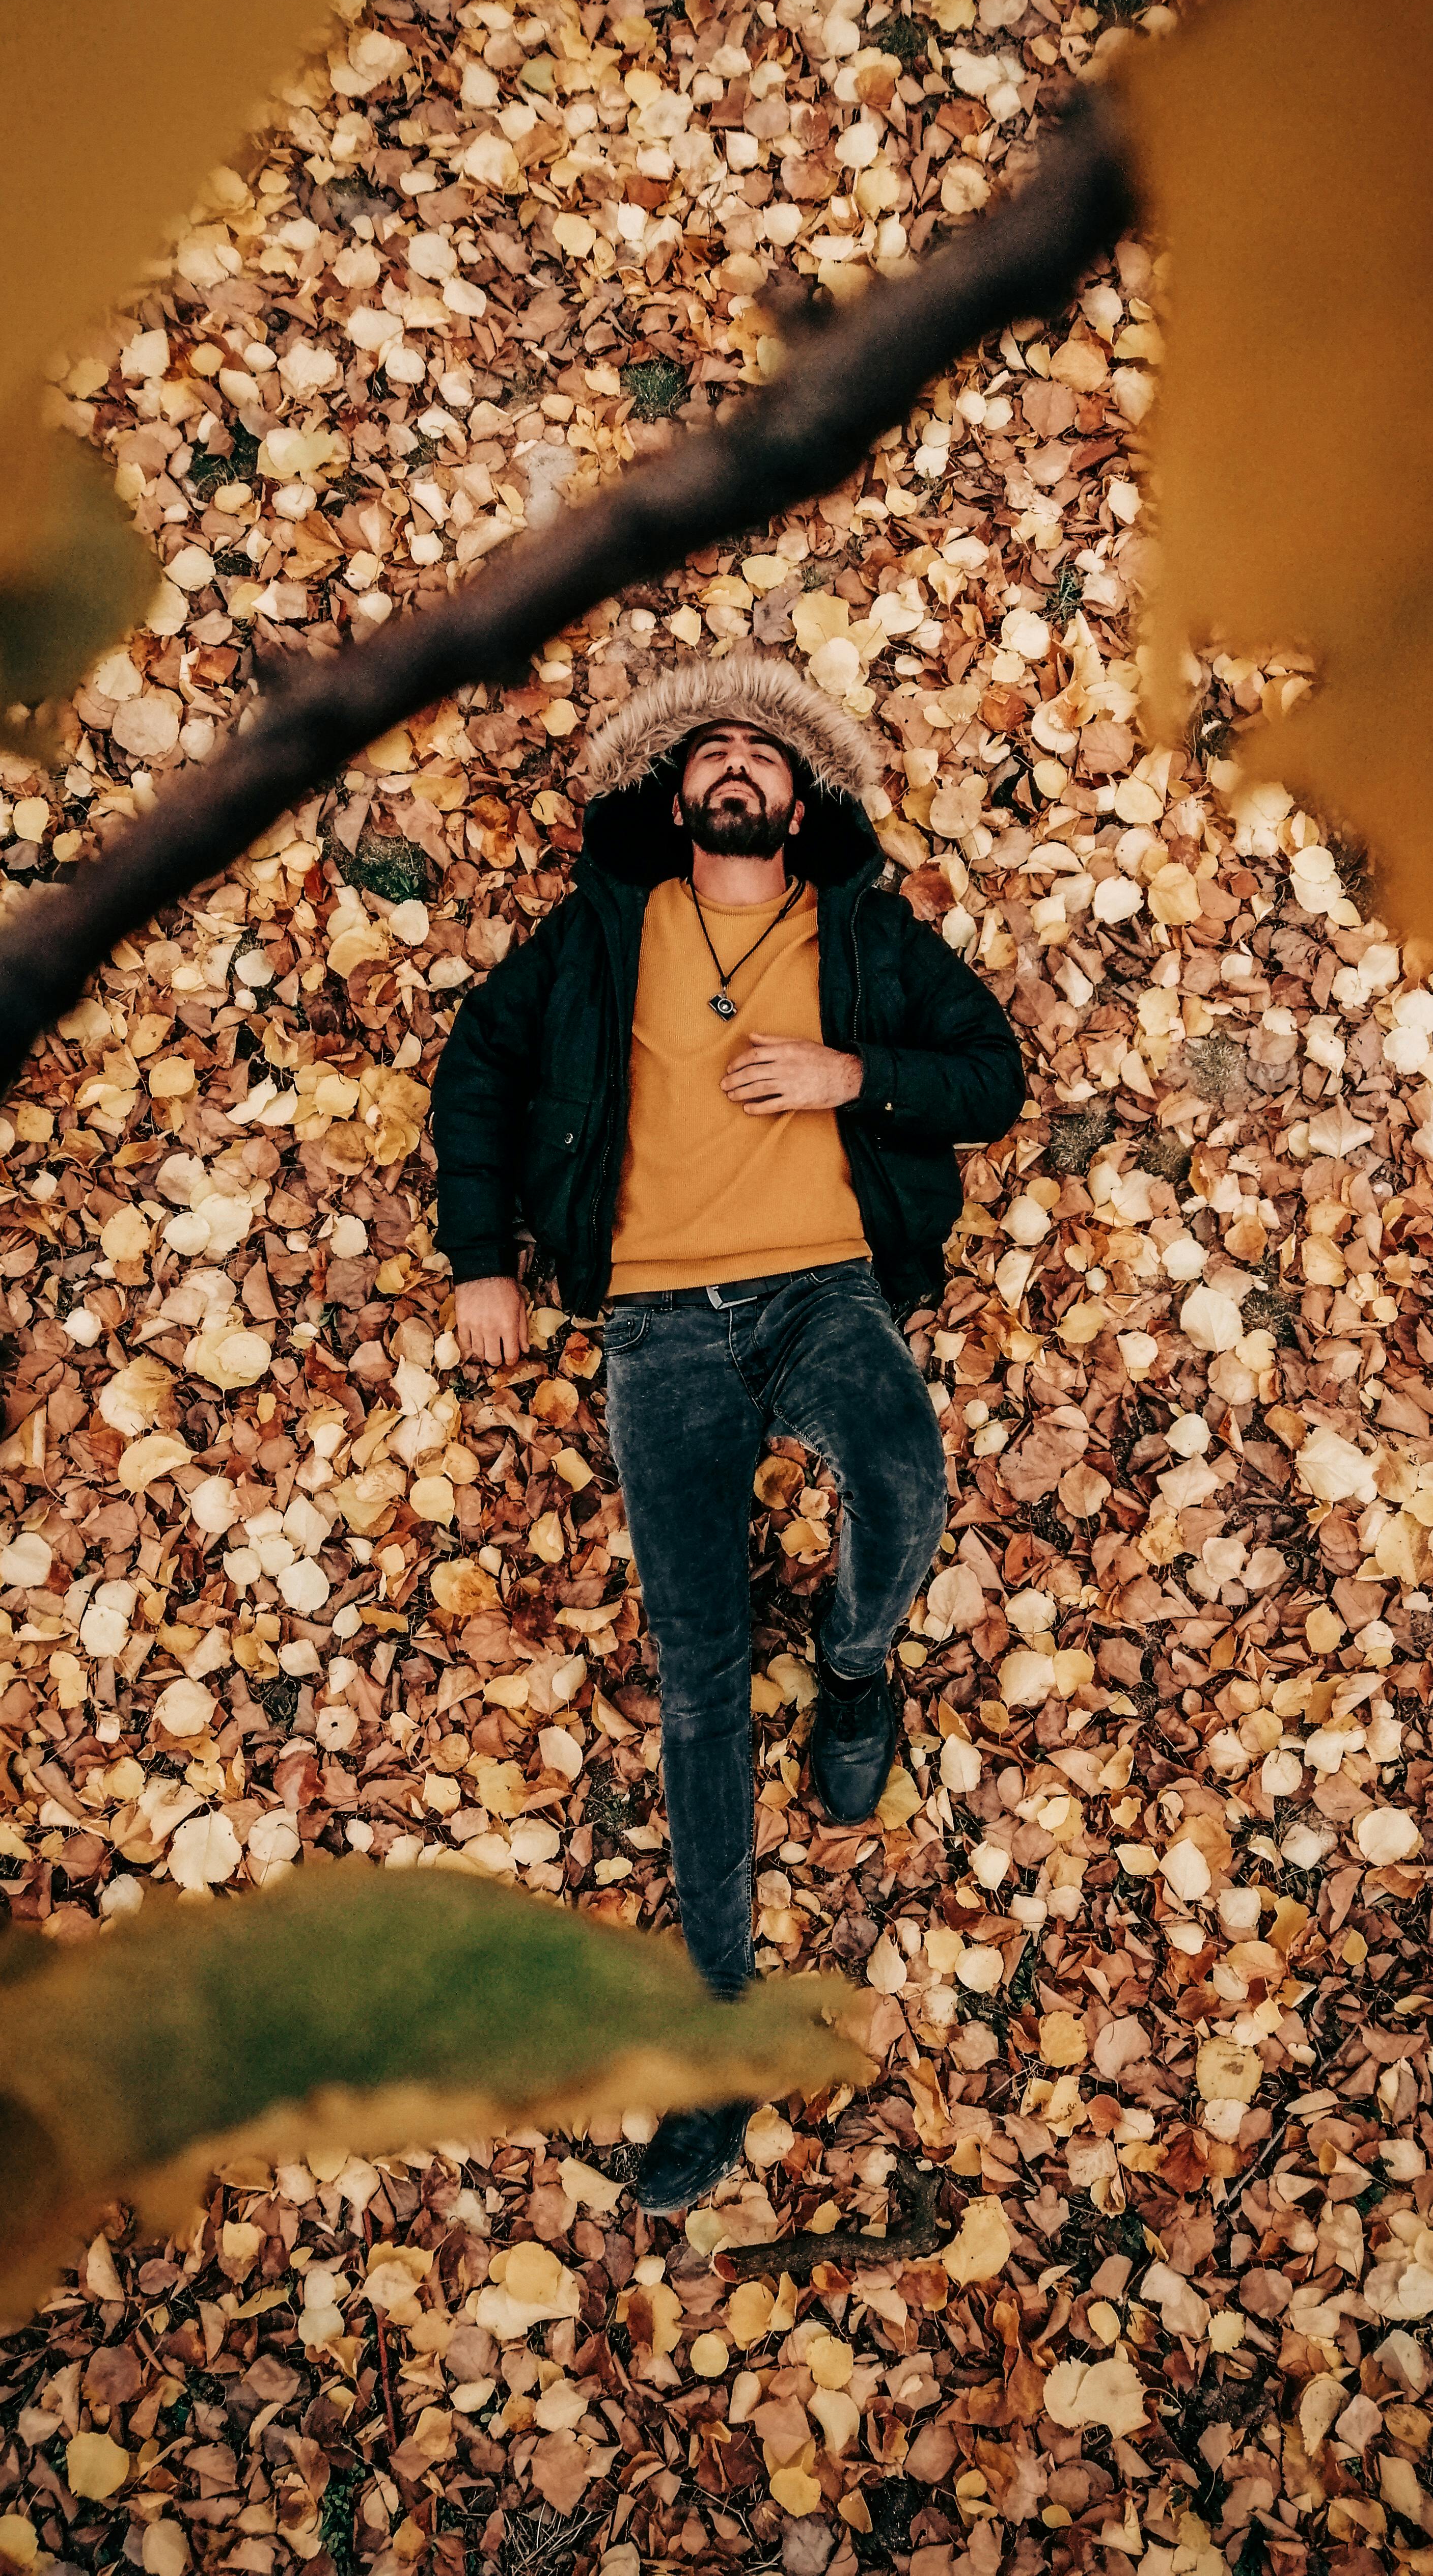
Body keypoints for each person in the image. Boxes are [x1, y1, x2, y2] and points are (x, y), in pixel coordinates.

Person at [430, 650, 1026, 2213]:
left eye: (765, 750)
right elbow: (477, 1071)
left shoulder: (862, 931)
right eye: (711, 751)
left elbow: (993, 1079)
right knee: (694, 1680)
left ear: (802, 797)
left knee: (905, 1477)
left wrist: (850, 1072)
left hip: (824, 1291)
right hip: (654, 1323)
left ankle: (850, 1664)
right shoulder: (599, 935)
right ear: (676, 796)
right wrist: (483, 1262)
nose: (738, 764)